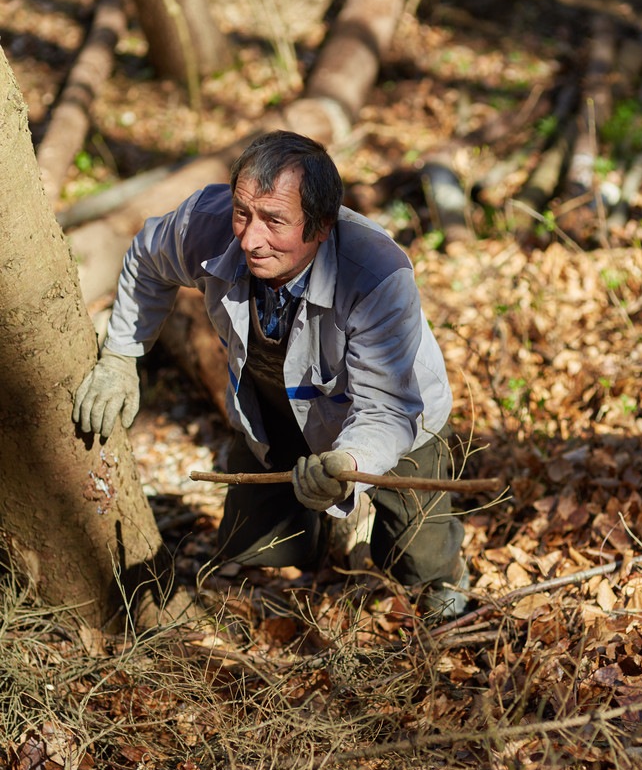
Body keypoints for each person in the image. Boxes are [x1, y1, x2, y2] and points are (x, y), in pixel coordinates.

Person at [73, 130, 469, 619]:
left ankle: (439, 577)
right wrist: (119, 357)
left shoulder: (375, 274)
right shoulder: (207, 222)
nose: (249, 239)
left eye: (274, 221)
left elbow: (387, 406)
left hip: (396, 418)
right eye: (243, 212)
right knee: (257, 552)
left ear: (321, 225)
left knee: (417, 562)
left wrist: (347, 465)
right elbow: (145, 260)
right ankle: (333, 533)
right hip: (273, 398)